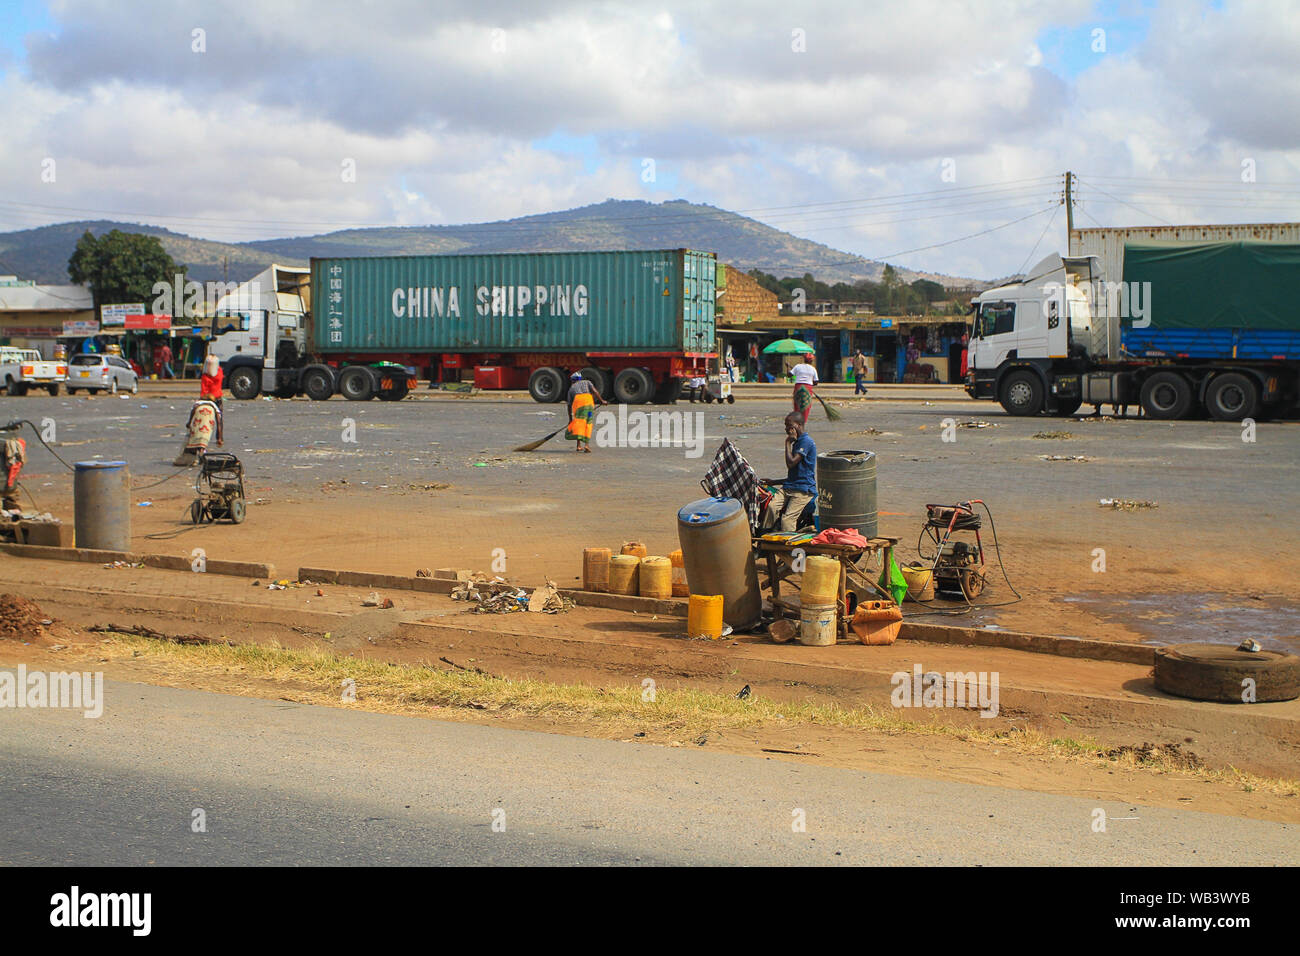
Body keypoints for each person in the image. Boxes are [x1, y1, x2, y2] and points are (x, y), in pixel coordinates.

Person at [764, 412, 817, 532]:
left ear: (798, 425)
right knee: (771, 507)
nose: (786, 429)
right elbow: (795, 473)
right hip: (789, 487)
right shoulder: (797, 442)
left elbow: (791, 463)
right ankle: (766, 537)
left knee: (787, 520)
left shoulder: (805, 442)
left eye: (789, 425)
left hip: (803, 490)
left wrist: (787, 443)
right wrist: (773, 482)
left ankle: (789, 548)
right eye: (785, 425)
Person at [565, 371, 604, 453]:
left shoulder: (571, 388)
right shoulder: (587, 382)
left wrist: (570, 419)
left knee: (579, 423)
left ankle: (579, 446)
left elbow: (569, 405)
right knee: (588, 423)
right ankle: (586, 445)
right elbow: (595, 392)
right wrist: (602, 401)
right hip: (589, 403)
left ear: (572, 380)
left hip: (579, 404)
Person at [200, 354, 224, 446]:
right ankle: (220, 438)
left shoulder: (205, 377)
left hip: (209, 400)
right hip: (218, 398)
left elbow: (203, 391)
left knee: (204, 419)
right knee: (219, 420)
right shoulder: (219, 372)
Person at [791, 356, 819, 424]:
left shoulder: (797, 366)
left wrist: (788, 368)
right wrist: (811, 384)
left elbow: (789, 374)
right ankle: (803, 422)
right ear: (811, 361)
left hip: (798, 387)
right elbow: (816, 382)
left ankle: (796, 422)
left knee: (797, 406)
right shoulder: (813, 369)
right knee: (806, 407)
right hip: (808, 388)